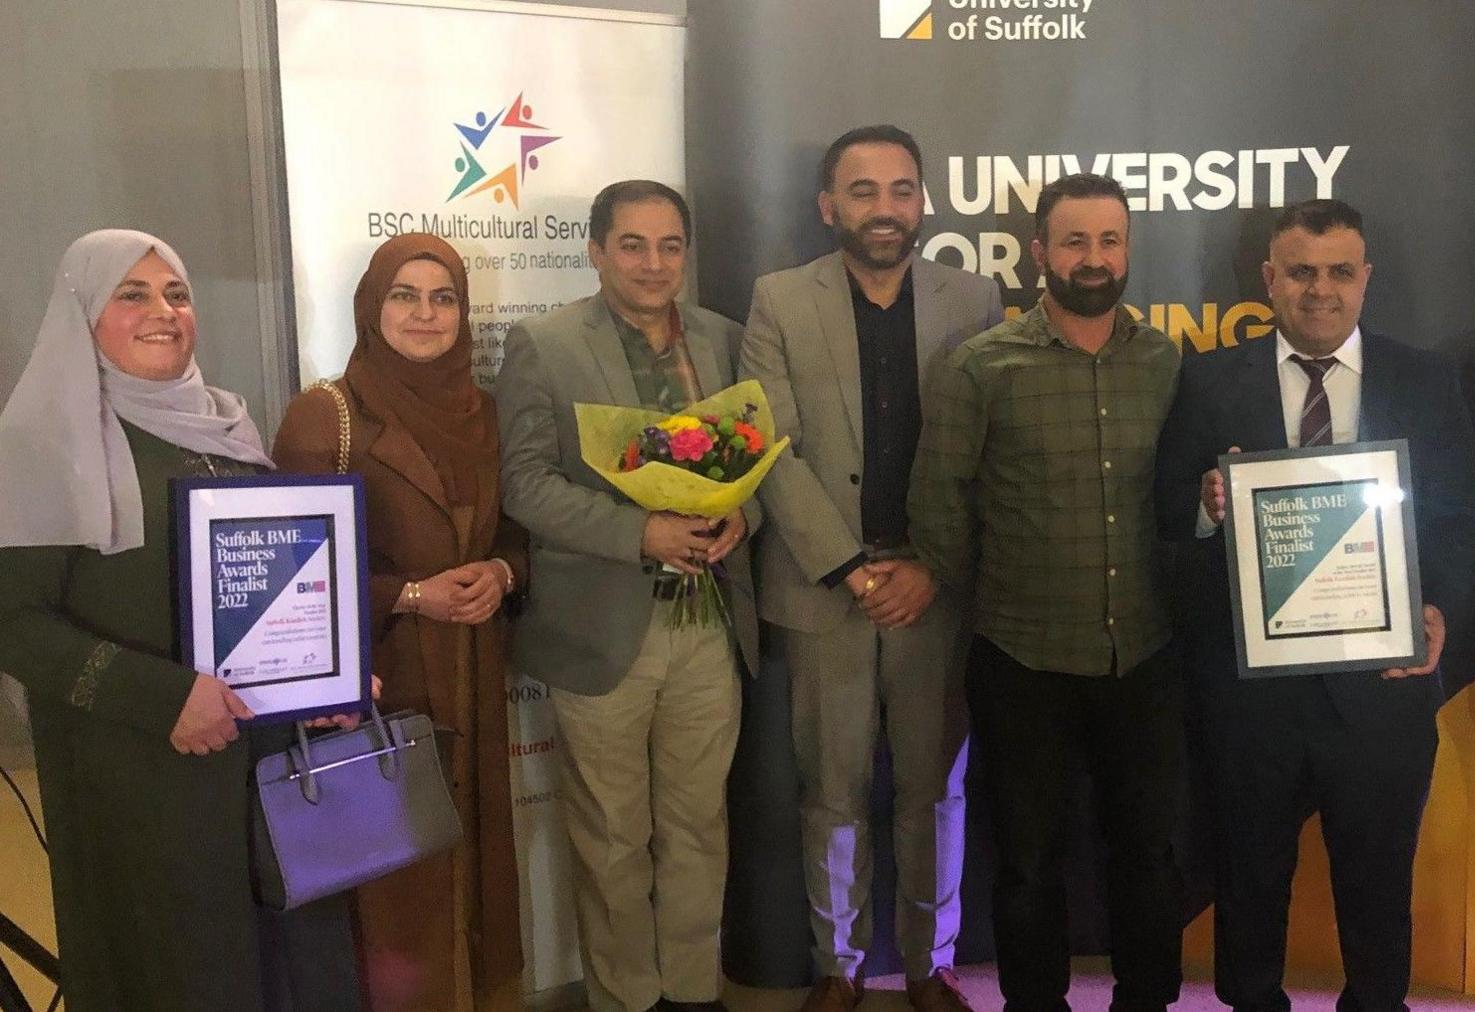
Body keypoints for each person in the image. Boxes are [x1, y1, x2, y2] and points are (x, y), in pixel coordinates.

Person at [0, 229, 360, 1011]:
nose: (162, 311)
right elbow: (16, 623)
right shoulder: (40, 442)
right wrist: (162, 698)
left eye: (176, 294)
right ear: (83, 312)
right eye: (131, 295)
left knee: (289, 963)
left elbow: (266, 587)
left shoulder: (225, 426)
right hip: (135, 777)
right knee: (182, 970)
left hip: (256, 765)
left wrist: (325, 674)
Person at [1154, 198, 1475, 1011]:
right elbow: (1165, 514)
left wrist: (1438, 609)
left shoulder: (1428, 379)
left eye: (1340, 271)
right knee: (1249, 879)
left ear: (1366, 279)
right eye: (1301, 271)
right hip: (1249, 693)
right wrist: (1205, 504)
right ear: (1269, 278)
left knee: (1377, 883)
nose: (1320, 291)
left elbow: (1462, 514)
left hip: (1384, 684)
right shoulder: (1206, 378)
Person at [739, 123, 1001, 1012]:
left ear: (922, 200)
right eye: (863, 191)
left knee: (935, 791)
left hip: (935, 589)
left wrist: (932, 564)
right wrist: (851, 569)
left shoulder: (974, 300)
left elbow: (985, 455)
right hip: (826, 592)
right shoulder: (778, 298)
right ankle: (838, 967)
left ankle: (932, 965)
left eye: (900, 190)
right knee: (833, 793)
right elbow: (771, 448)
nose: (884, 209)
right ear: (828, 206)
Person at [910, 173, 1184, 1012]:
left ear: (1128, 250)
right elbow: (938, 501)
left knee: (1148, 851)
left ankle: (1146, 1000)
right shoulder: (981, 366)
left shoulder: (1167, 361)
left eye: (1109, 240)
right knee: (1029, 859)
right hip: (1020, 653)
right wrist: (988, 594)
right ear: (1039, 253)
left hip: (1143, 652)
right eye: (1074, 241)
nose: (1093, 258)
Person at [494, 180, 758, 1012]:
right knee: (612, 839)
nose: (653, 263)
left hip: (708, 623)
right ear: (597, 250)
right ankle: (625, 1000)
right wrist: (636, 533)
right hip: (602, 630)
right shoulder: (544, 342)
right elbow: (524, 486)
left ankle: (690, 994)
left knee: (698, 830)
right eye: (633, 245)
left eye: (670, 245)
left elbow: (746, 462)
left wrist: (740, 515)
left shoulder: (721, 338)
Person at [271, 232, 527, 1011]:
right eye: (404, 296)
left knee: (471, 861)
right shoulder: (327, 416)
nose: (425, 314)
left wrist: (503, 572)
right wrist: (413, 595)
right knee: (393, 882)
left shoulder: (483, 413)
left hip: (475, 675)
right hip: (379, 686)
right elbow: (294, 576)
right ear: (370, 307)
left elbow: (514, 532)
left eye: (443, 297)